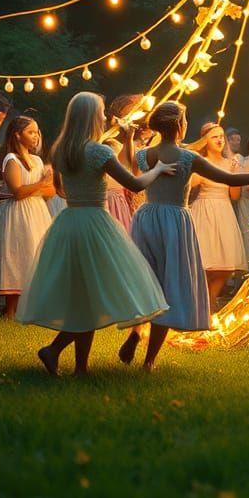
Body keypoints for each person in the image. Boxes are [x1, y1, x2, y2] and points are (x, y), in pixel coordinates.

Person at [120, 102, 249, 371]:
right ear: (180, 126)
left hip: (147, 219)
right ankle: (149, 360)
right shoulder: (188, 158)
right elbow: (230, 179)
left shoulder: (147, 154)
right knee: (170, 285)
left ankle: (136, 332)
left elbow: (131, 164)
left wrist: (129, 139)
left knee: (147, 280)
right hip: (174, 221)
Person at [17, 93, 174, 377]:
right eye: (101, 113)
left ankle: (75, 364)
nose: (104, 118)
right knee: (95, 292)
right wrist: (159, 169)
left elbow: (60, 188)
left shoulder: (62, 149)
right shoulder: (99, 151)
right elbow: (136, 184)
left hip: (69, 222)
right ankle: (61, 356)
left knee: (83, 296)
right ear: (91, 117)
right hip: (95, 223)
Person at [0, 116, 56, 319]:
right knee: (17, 254)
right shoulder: (11, 159)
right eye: (31, 132)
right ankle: (10, 310)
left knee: (35, 253)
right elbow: (17, 191)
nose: (36, 136)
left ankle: (33, 306)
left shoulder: (36, 160)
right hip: (18, 212)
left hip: (36, 211)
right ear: (18, 135)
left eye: (37, 132)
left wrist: (45, 185)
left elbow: (50, 191)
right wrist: (41, 183)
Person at [188, 122, 248, 309]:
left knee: (226, 266)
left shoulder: (230, 164)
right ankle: (204, 303)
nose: (220, 140)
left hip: (224, 210)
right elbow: (191, 186)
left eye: (221, 136)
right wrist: (198, 167)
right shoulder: (200, 162)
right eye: (215, 136)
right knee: (205, 262)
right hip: (204, 209)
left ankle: (210, 299)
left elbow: (235, 196)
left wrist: (236, 173)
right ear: (205, 140)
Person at [105, 94, 143, 230]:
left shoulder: (119, 143)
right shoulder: (106, 144)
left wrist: (129, 138)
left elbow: (131, 168)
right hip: (106, 201)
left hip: (119, 200)